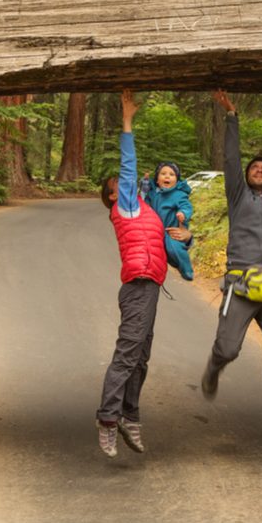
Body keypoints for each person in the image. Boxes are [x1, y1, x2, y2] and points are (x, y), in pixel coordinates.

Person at [96, 90, 192, 457]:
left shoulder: (147, 211)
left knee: (141, 357)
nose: (126, 185)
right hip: (137, 284)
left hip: (150, 286)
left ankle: (130, 417)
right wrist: (127, 123)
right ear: (112, 197)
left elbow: (174, 237)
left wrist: (188, 235)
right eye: (118, 186)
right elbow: (129, 165)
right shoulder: (125, 208)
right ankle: (107, 419)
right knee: (127, 355)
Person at [201, 90, 262, 414]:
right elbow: (230, 159)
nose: (259, 169)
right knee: (228, 349)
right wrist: (231, 116)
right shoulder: (237, 197)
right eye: (254, 167)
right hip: (240, 283)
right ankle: (214, 368)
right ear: (245, 176)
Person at [141, 162, 194, 281]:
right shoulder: (153, 193)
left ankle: (186, 269)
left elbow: (186, 206)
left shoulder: (179, 194)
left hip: (171, 230)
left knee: (174, 249)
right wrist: (144, 182)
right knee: (158, 252)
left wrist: (183, 213)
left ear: (177, 180)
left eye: (172, 174)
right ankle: (170, 264)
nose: (167, 176)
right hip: (154, 230)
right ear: (157, 180)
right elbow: (144, 198)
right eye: (163, 173)